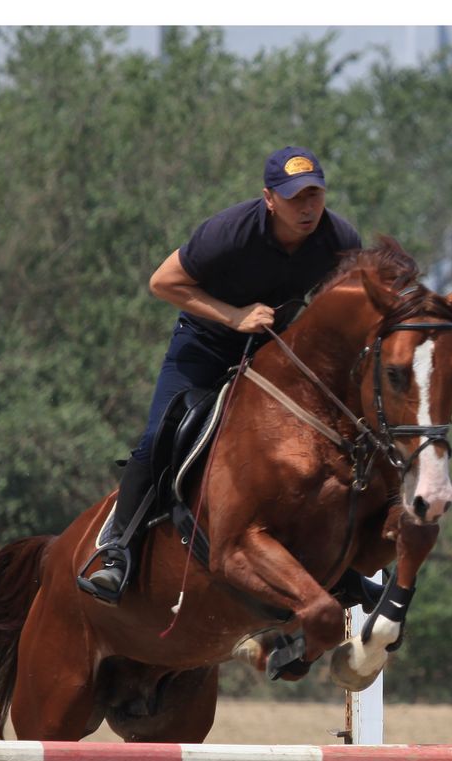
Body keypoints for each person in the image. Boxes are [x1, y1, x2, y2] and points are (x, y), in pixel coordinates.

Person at [87, 146, 363, 600]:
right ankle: (117, 550)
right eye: (296, 197)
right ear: (269, 198)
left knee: (328, 441)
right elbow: (163, 282)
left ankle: (333, 558)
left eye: (315, 195)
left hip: (275, 351)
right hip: (205, 345)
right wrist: (233, 317)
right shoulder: (230, 232)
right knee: (160, 437)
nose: (308, 207)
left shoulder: (339, 238)